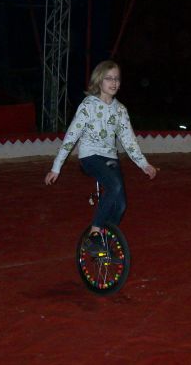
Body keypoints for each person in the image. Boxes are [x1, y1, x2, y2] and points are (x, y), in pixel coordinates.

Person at [44, 60, 157, 254]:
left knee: (121, 204)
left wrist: (144, 164)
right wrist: (56, 167)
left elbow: (129, 140)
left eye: (117, 79)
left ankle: (104, 238)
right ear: (99, 80)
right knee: (114, 186)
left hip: (110, 157)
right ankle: (94, 233)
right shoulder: (88, 105)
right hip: (90, 156)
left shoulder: (120, 110)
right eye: (108, 78)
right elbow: (71, 136)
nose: (114, 82)